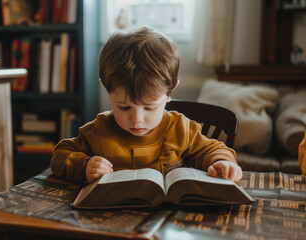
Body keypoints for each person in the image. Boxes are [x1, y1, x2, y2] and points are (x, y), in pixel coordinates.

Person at [51, 27, 242, 183]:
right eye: (124, 107)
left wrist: (222, 162)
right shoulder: (99, 131)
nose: (136, 119)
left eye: (149, 107)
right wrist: (83, 166)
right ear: (108, 90)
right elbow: (60, 155)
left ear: (169, 92)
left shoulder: (181, 129)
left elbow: (212, 149)